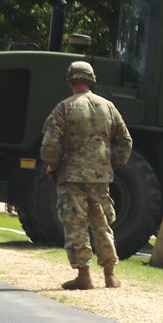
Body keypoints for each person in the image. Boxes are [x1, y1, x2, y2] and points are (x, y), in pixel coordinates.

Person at [40, 61, 133, 290]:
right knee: (102, 223)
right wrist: (110, 164)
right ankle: (110, 275)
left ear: (70, 81)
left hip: (71, 175)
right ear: (91, 80)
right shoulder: (109, 107)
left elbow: (50, 143)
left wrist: (52, 165)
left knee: (76, 223)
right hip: (101, 177)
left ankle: (84, 276)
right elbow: (125, 141)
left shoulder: (64, 107)